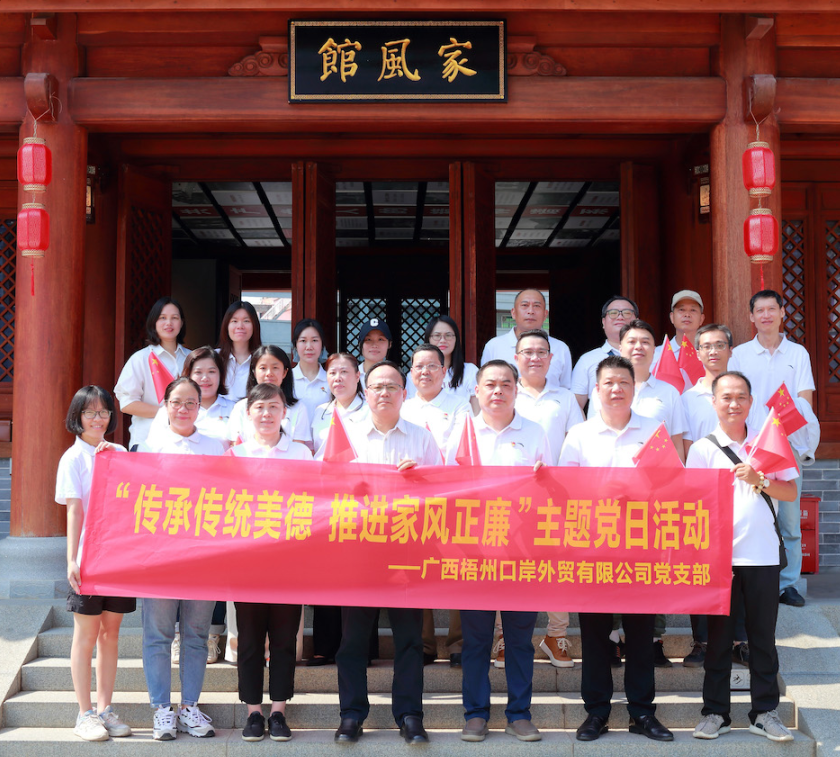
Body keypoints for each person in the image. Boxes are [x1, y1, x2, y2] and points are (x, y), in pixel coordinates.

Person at [560, 356, 673, 743]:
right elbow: (565, 491)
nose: (616, 389)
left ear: (633, 387)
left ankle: (642, 712)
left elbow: (670, 485)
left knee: (640, 636)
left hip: (642, 549)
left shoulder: (653, 431)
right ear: (596, 389)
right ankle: (596, 713)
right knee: (594, 637)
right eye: (608, 382)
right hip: (593, 550)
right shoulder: (580, 435)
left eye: (623, 382)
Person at [334, 360, 440, 745]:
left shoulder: (422, 438)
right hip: (358, 551)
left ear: (404, 393)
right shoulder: (345, 435)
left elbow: (443, 492)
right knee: (353, 640)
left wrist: (420, 479)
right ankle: (351, 715)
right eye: (377, 386)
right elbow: (322, 487)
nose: (384, 393)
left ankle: (409, 715)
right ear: (366, 392)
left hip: (405, 550)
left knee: (409, 638)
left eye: (392, 387)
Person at [688, 371, 798, 743]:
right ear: (714, 402)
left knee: (763, 638)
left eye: (740, 397)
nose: (733, 403)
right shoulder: (702, 449)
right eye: (726, 397)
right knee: (718, 640)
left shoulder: (769, 442)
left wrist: (760, 479)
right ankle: (715, 713)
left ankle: (764, 713)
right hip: (720, 559)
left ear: (751, 402)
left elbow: (790, 492)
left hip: (763, 556)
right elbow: (692, 503)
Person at [446, 359, 551, 744]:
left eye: (506, 384)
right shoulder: (462, 432)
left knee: (519, 642)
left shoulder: (535, 432)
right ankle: (475, 714)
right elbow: (445, 490)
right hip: (474, 555)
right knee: (476, 642)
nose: (498, 391)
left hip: (522, 555)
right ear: (476, 391)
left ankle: (519, 714)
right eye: (490, 384)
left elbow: (553, 491)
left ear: (516, 389)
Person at [138, 377, 224, 741]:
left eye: (191, 402)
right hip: (160, 556)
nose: (184, 408)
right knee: (157, 634)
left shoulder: (216, 447)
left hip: (203, 556)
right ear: (165, 405)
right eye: (177, 402)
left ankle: (189, 707)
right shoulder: (149, 446)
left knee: (196, 635)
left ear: (200, 407)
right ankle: (162, 709)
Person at [226, 383, 312, 742]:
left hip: (289, 562)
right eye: (259, 408)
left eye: (273, 407)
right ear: (248, 413)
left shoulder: (302, 454)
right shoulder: (235, 455)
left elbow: (314, 502)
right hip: (247, 562)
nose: (266, 414)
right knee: (249, 639)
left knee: (283, 638)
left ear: (284, 412)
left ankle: (278, 711)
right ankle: (253, 712)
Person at [729, 289, 817, 608]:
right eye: (760, 310)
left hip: (785, 443)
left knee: (789, 518)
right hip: (749, 444)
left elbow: (805, 400)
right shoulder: (740, 354)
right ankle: (747, 581)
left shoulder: (798, 354)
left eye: (771, 309)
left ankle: (788, 584)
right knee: (750, 513)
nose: (766, 315)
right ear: (751, 317)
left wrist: (793, 427)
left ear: (782, 313)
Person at [56, 386, 133, 742]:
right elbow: (74, 509)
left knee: (110, 634)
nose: (98, 419)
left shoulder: (119, 453)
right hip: (89, 558)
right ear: (78, 417)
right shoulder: (72, 458)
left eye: (103, 412)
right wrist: (72, 559)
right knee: (85, 636)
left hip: (118, 557)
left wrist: (113, 461)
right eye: (90, 412)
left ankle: (105, 709)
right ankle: (84, 713)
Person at [680, 324, 750, 669]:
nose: (713, 351)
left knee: (743, 570)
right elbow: (686, 444)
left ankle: (741, 641)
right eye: (706, 346)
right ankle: (702, 641)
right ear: (697, 353)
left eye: (719, 345)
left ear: (730, 350)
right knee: (702, 569)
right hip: (703, 493)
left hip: (743, 492)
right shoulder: (687, 397)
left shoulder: (744, 391)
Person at [513, 330, 583, 669]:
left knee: (557, 567)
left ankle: (556, 635)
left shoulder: (565, 398)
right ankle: (504, 635)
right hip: (511, 499)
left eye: (542, 352)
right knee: (510, 566)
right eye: (528, 352)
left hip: (556, 495)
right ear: (516, 358)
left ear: (551, 359)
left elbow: (576, 440)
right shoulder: (505, 392)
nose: (535, 357)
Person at [401, 343, 469, 667]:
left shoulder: (460, 406)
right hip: (411, 500)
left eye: (432, 366)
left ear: (444, 371)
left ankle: (458, 643)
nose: (425, 372)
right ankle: (424, 643)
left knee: (457, 568)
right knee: (417, 569)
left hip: (452, 495)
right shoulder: (402, 407)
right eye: (419, 366)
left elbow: (460, 450)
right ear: (411, 372)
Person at [114, 297, 190, 450]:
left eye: (174, 318)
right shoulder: (140, 359)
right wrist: (169, 413)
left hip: (185, 444)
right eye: (162, 318)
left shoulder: (192, 358)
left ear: (181, 323)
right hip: (147, 442)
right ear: (154, 322)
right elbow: (127, 404)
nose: (169, 323)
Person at [480, 289, 572, 390]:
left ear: (545, 314)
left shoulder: (560, 348)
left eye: (536, 306)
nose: (530, 311)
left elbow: (565, 390)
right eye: (524, 305)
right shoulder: (494, 346)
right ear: (513, 313)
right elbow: (485, 387)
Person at [147, 346, 236, 448]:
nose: (205, 378)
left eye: (211, 372)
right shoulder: (169, 410)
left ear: (221, 375)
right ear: (188, 376)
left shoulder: (234, 409)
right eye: (198, 372)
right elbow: (152, 447)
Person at [227, 346, 311, 447]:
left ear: (284, 372)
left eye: (275, 368)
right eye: (263, 368)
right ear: (254, 372)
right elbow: (235, 447)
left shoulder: (298, 408)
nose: (269, 373)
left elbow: (298, 448)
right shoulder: (241, 407)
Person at [571, 296, 638, 409]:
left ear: (637, 321)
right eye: (613, 313)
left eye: (627, 313)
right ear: (603, 322)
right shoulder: (587, 360)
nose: (620, 317)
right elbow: (574, 408)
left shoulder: (653, 357)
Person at [407, 315, 479, 409]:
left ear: (456, 339)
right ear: (428, 339)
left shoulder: (470, 371)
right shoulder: (416, 374)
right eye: (437, 336)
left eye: (448, 335)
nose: (443, 340)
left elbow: (476, 411)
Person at [312, 353, 368, 461]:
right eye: (332, 373)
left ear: (357, 376)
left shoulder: (370, 410)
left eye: (344, 372)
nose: (337, 378)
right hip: (322, 471)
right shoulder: (320, 411)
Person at [652, 290, 706, 385]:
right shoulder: (657, 354)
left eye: (693, 310)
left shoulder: (708, 354)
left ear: (701, 319)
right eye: (681, 310)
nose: (687, 315)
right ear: (672, 317)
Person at [216, 301, 261, 402]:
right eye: (234, 321)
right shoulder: (214, 357)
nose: (240, 326)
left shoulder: (262, 359)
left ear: (255, 326)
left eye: (246, 321)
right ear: (226, 326)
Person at [292, 318, 330, 429]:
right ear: (295, 345)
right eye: (303, 341)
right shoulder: (286, 379)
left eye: (314, 340)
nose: (309, 347)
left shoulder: (330, 380)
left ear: (322, 344)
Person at [357, 318, 392, 389]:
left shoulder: (396, 376)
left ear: (389, 344)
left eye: (380, 339)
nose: (374, 345)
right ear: (360, 344)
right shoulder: (352, 375)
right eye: (368, 339)